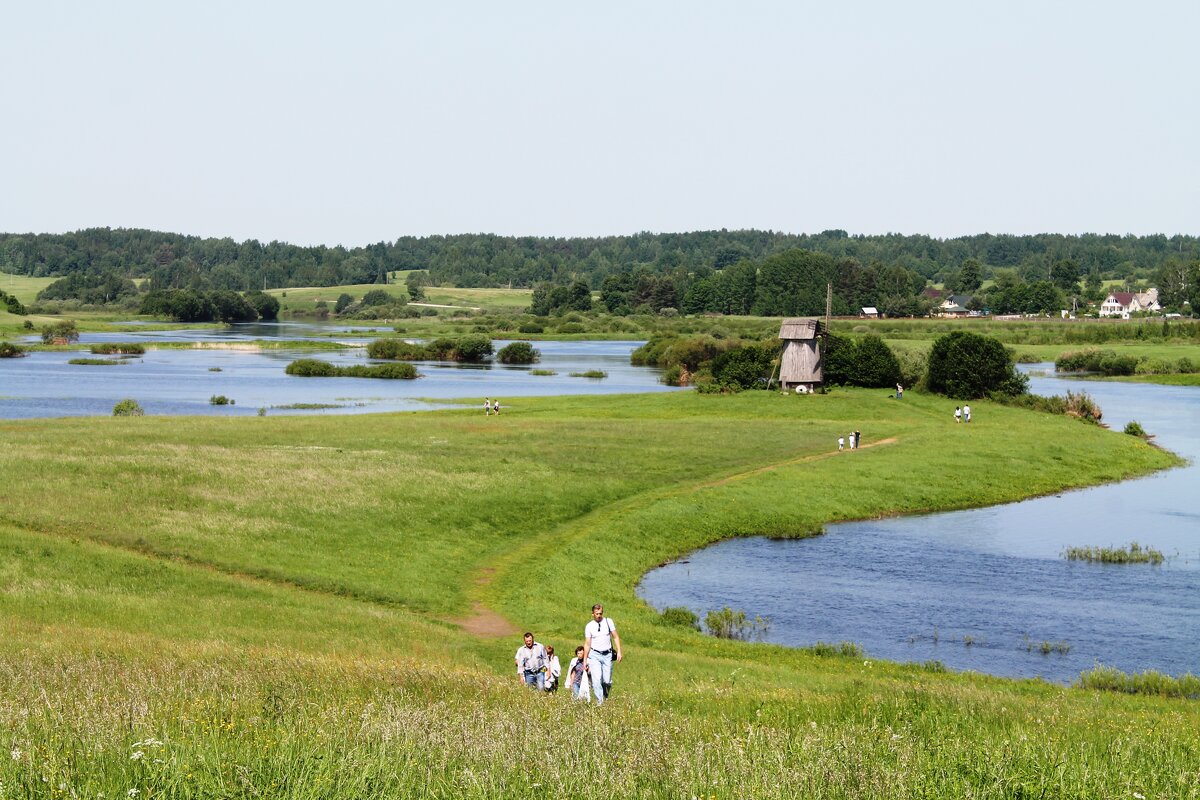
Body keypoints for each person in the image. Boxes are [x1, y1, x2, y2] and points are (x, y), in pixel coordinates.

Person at [582, 603, 622, 705]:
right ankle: (600, 704)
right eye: (596, 614)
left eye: (600, 613)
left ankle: (605, 696)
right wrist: (585, 660)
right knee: (596, 681)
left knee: (607, 681)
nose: (599, 615)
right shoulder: (589, 626)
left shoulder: (609, 622)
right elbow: (587, 644)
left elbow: (616, 637)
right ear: (592, 614)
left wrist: (619, 651)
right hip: (594, 655)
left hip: (607, 655)